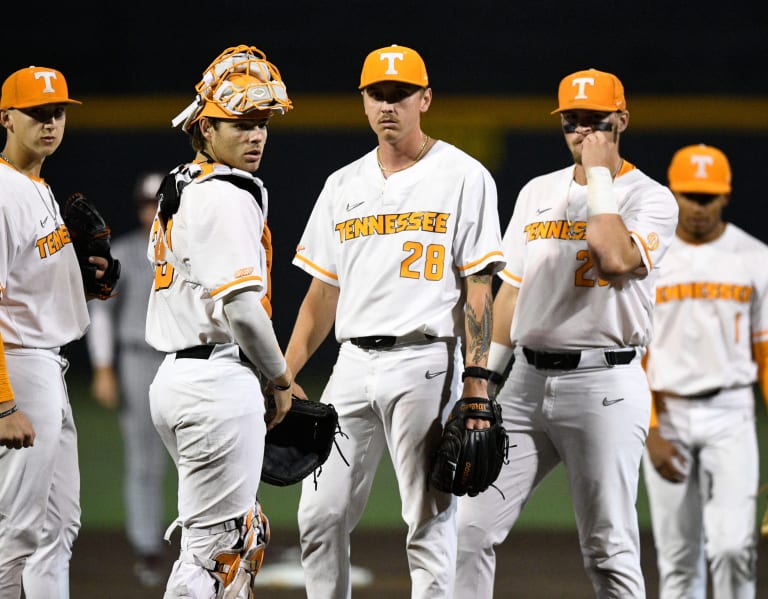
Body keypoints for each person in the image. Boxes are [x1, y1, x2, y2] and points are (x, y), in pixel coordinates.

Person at [284, 44, 505, 598]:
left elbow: (480, 287)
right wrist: (282, 372)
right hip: (352, 363)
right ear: (362, 103)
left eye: (400, 94)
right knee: (318, 514)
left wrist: (476, 382)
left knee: (427, 523)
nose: (388, 106)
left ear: (424, 98)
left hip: (426, 360)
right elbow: (322, 293)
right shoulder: (342, 185)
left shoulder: (463, 175)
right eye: (377, 95)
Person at [454, 68, 679, 597]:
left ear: (622, 120)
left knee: (607, 548)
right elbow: (511, 294)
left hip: (604, 385)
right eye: (571, 123)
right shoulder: (537, 191)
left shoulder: (652, 198)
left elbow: (615, 256)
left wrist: (600, 177)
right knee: (467, 530)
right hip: (528, 384)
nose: (583, 134)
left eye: (596, 122)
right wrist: (481, 382)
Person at [145, 44, 294, 598]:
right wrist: (278, 379)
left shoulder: (185, 182)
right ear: (206, 128)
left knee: (241, 538)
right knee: (215, 556)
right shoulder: (226, 195)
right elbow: (241, 310)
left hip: (185, 378)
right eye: (241, 123)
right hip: (213, 383)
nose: (256, 135)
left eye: (263, 123)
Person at [0, 65, 113, 598]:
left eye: (58, 113)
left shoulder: (37, 186)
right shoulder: (2, 192)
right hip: (18, 365)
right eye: (37, 113)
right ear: (6, 118)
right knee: (17, 529)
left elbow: (28, 287)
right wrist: (4, 404)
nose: (50, 123)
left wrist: (89, 282)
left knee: (58, 524)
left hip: (47, 365)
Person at [642, 143, 767, 598]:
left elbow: (766, 354)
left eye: (707, 195)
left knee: (734, 547)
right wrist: (650, 428)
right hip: (667, 413)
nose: (697, 205)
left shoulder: (756, 258)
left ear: (726, 195)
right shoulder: (649, 258)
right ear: (673, 193)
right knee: (677, 561)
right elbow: (636, 353)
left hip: (731, 411)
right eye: (689, 194)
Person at [86, 171, 170, 587]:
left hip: (181, 362)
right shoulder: (121, 253)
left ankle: (202, 543)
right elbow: (101, 314)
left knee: (196, 458)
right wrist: (103, 367)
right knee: (144, 460)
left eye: (158, 202)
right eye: (145, 203)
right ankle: (147, 547)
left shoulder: (191, 250)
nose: (151, 210)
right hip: (137, 362)